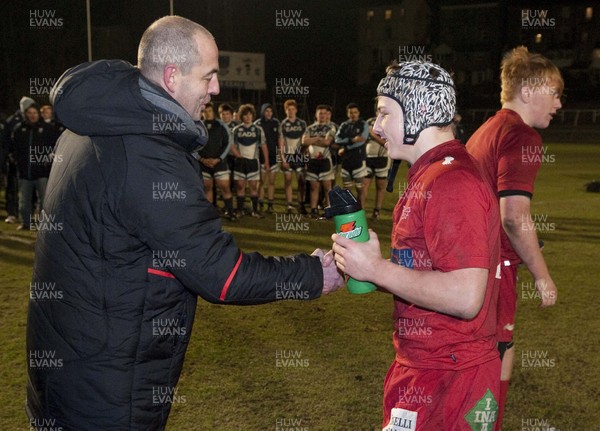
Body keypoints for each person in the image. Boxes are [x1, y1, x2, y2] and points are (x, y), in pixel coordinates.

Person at [26, 16, 343, 430]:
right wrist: (313, 275)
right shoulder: (147, 152)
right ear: (172, 77)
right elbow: (222, 274)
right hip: (107, 389)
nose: (215, 89)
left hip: (68, 374)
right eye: (209, 76)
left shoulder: (96, 122)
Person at [331, 62, 502, 430]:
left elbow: (465, 295)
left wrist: (377, 269)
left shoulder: (452, 181)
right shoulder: (430, 172)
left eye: (383, 112)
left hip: (452, 376)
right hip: (428, 366)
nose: (376, 127)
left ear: (418, 111)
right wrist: (365, 267)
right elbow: (430, 271)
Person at [466, 46, 560, 429]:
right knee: (493, 352)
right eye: (554, 92)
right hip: (492, 267)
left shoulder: (488, 128)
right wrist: (542, 275)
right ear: (528, 91)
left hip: (472, 262)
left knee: (493, 350)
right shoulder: (522, 136)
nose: (558, 103)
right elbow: (514, 218)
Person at [9, 103, 57, 230]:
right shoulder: (19, 129)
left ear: (38, 114)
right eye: (29, 113)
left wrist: (49, 162)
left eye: (35, 113)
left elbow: (54, 147)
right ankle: (26, 223)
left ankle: (43, 224)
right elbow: (13, 148)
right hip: (24, 173)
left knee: (44, 201)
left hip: (42, 172)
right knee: (24, 202)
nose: (32, 115)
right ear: (26, 114)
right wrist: (16, 161)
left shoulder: (47, 128)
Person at [198, 102, 236, 220]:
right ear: (201, 113)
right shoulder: (198, 126)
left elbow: (228, 142)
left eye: (209, 111)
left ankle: (230, 212)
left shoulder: (221, 125)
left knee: (224, 186)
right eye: (204, 111)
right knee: (207, 187)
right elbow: (193, 146)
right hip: (204, 163)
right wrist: (202, 159)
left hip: (219, 162)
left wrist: (218, 159)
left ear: (213, 111)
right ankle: (209, 215)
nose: (207, 114)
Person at [231, 104, 269, 218]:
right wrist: (238, 156)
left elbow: (263, 146)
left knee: (253, 186)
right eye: (245, 115)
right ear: (241, 116)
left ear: (253, 115)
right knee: (240, 186)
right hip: (240, 162)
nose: (248, 117)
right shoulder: (237, 129)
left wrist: (266, 161)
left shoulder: (258, 129)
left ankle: (254, 210)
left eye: (250, 115)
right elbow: (231, 145)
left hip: (253, 162)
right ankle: (239, 210)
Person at [2, 97, 35, 224]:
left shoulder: (34, 119)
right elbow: (6, 141)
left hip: (28, 162)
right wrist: (9, 155)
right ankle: (12, 213)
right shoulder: (12, 121)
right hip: (13, 161)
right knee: (12, 187)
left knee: (29, 190)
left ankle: (28, 215)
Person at [302, 104, 336, 218]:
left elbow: (327, 142)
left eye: (324, 113)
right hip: (312, 161)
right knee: (313, 187)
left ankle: (329, 210)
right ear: (316, 115)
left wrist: (312, 140)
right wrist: (318, 139)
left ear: (327, 115)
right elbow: (304, 142)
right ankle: (313, 210)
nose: (322, 115)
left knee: (327, 188)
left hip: (325, 161)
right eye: (320, 113)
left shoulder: (331, 128)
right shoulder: (310, 128)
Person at [334, 103, 369, 207]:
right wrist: (352, 140)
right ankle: (348, 212)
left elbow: (362, 141)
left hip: (358, 160)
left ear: (358, 113)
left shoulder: (363, 124)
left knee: (360, 189)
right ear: (347, 113)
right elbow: (337, 139)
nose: (353, 114)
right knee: (347, 189)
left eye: (355, 112)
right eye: (351, 112)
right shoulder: (344, 125)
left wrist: (345, 148)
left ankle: (360, 211)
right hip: (346, 161)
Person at [279, 99, 308, 214]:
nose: (290, 111)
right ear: (286, 111)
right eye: (288, 109)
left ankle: (301, 204)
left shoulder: (302, 123)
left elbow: (305, 141)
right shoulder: (283, 124)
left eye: (292, 109)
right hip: (288, 155)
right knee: (288, 180)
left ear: (296, 110)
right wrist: (282, 158)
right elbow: (281, 142)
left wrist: (305, 156)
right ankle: (289, 205)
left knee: (301, 181)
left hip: (299, 156)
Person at [363, 113, 392, 220]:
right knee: (364, 184)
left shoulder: (390, 122)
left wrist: (373, 134)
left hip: (382, 159)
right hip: (368, 158)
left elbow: (388, 143)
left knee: (380, 186)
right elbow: (363, 137)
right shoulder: (369, 121)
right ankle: (361, 209)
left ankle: (377, 210)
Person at [254, 103, 282, 214]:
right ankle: (260, 203)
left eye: (270, 111)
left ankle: (270, 205)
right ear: (262, 112)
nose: (269, 113)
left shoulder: (276, 123)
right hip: (261, 157)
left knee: (271, 182)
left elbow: (280, 139)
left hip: (273, 157)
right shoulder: (257, 124)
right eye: (266, 111)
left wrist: (281, 153)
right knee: (261, 181)